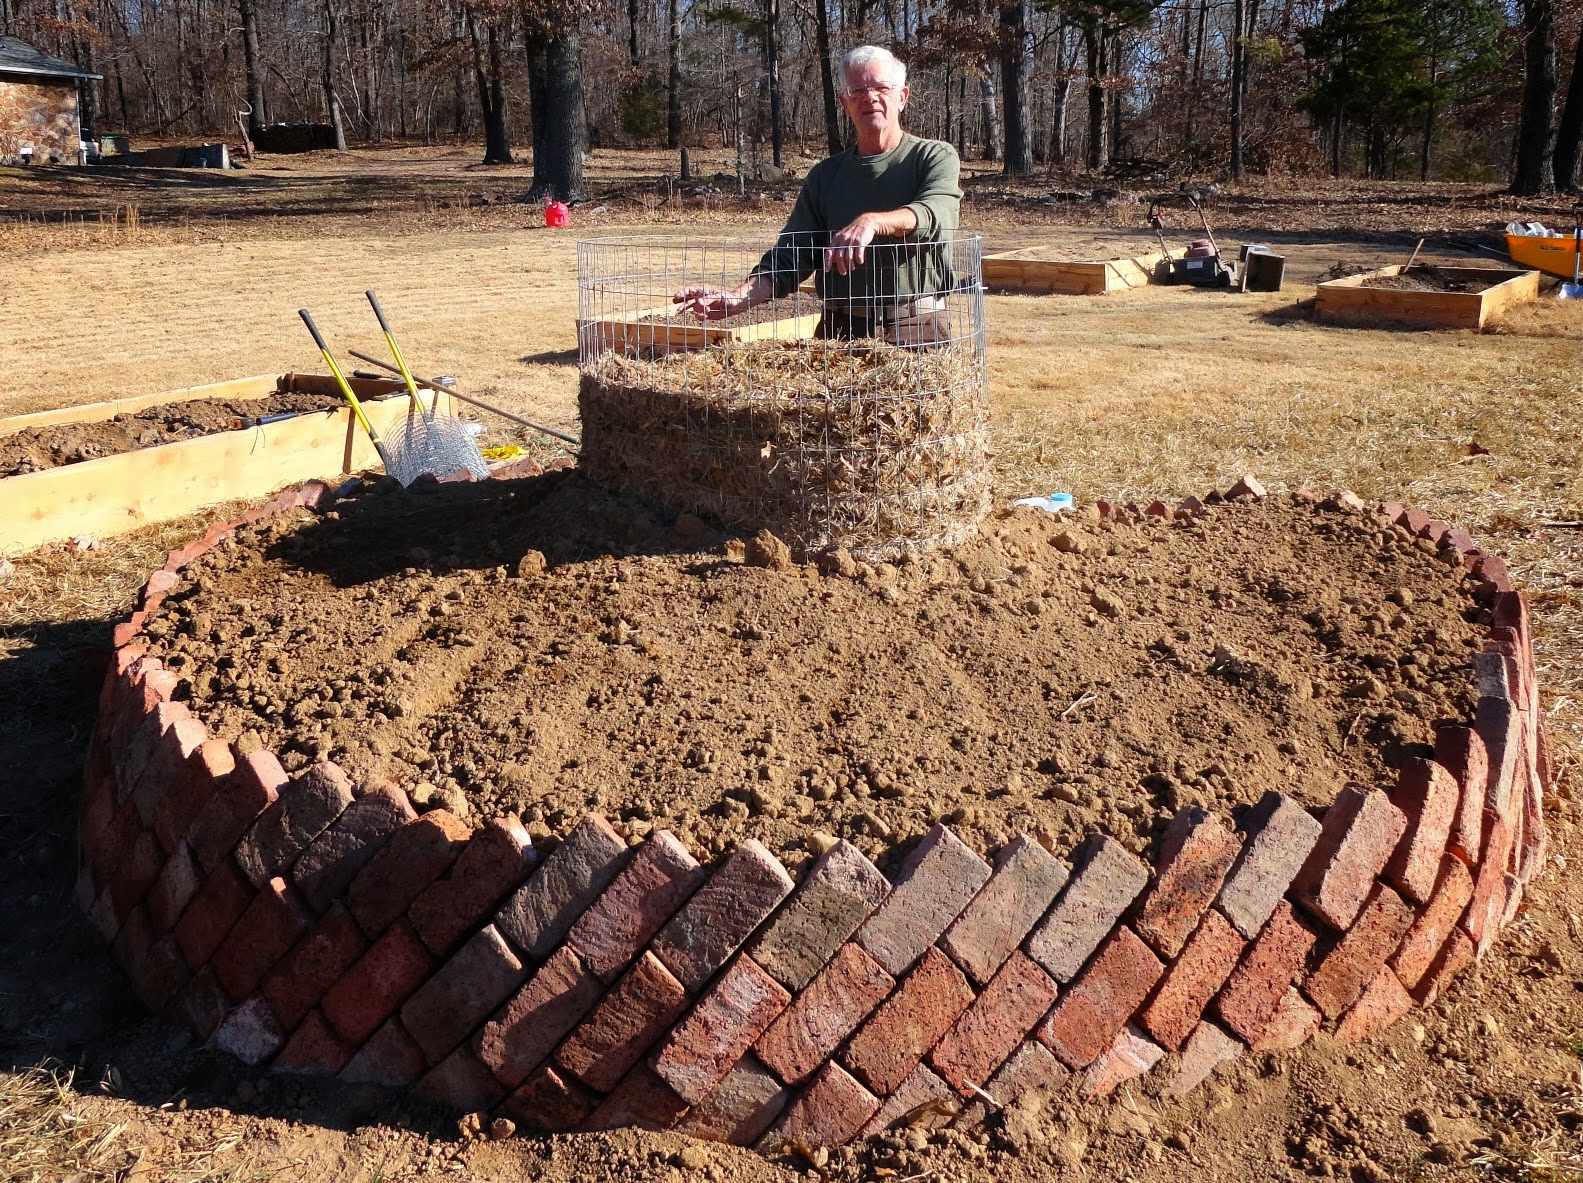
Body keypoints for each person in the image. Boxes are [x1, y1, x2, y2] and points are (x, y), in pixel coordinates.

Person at [674, 45, 963, 344]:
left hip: (917, 326)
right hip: (840, 331)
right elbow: (793, 254)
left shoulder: (932, 156)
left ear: (902, 97)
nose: (870, 97)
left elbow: (936, 213)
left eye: (881, 87)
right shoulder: (825, 176)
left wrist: (873, 222)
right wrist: (739, 296)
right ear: (844, 102)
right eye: (858, 89)